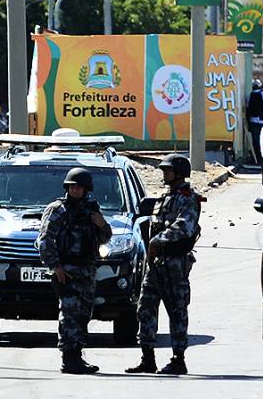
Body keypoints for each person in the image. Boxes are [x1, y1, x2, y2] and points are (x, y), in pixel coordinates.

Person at [127, 154, 201, 375]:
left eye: (167, 170)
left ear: (178, 173)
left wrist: (157, 241)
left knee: (177, 310)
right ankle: (147, 358)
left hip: (175, 264)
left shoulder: (187, 198)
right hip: (156, 263)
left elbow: (185, 226)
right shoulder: (165, 197)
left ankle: (178, 358)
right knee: (145, 307)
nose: (164, 174)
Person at [37, 168, 112, 374]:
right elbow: (44, 240)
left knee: (83, 314)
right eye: (72, 186)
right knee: (69, 313)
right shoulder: (58, 209)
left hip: (87, 270)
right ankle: (68, 358)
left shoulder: (91, 209)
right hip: (67, 270)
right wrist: (55, 266)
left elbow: (105, 237)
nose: (75, 190)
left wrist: (101, 224)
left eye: (78, 187)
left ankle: (77, 354)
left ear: (86, 189)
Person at [246, 79, 263, 164]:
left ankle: (257, 158)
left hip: (253, 121)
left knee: (255, 141)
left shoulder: (250, 95)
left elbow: (248, 109)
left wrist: (248, 123)